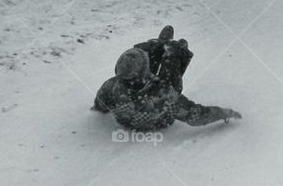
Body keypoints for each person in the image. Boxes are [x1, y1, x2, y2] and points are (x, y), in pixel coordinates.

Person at [94, 41, 241, 132]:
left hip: (126, 122)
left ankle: (157, 46)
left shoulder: (112, 85)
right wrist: (224, 113)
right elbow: (196, 116)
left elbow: (100, 103)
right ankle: (173, 50)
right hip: (158, 123)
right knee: (171, 66)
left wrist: (100, 108)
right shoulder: (164, 94)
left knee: (141, 50)